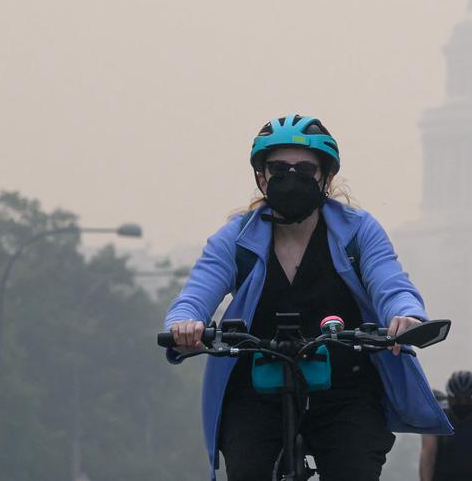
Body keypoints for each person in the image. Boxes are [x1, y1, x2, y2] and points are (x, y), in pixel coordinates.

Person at [163, 114, 452, 481]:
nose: (291, 177)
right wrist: (185, 324)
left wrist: (406, 315)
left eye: (304, 169)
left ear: (325, 177)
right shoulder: (236, 238)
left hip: (346, 388)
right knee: (247, 471)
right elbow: (196, 293)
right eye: (278, 169)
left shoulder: (357, 232)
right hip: (256, 388)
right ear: (261, 176)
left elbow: (390, 284)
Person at [420, 370, 472, 481]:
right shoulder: (437, 414)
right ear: (449, 397)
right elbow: (428, 454)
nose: (463, 404)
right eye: (457, 400)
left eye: (468, 400)